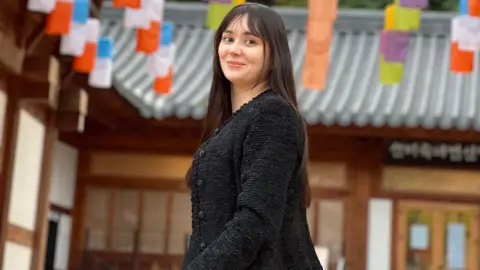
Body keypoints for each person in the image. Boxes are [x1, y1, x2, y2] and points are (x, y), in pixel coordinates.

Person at [181, 3, 323, 269]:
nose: (235, 49)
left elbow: (256, 221)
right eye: (228, 38)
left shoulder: (273, 115)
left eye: (251, 41)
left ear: (274, 54)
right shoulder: (229, 123)